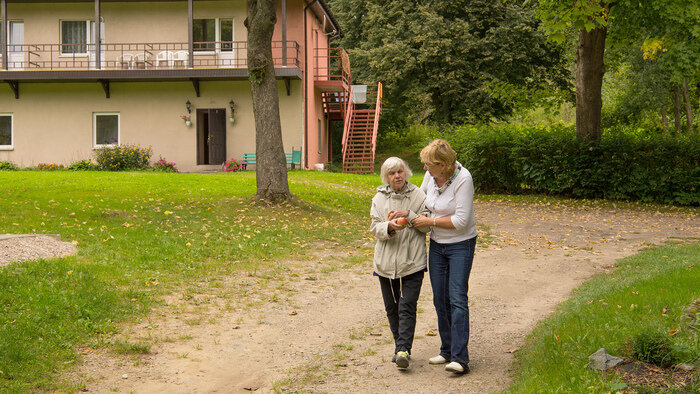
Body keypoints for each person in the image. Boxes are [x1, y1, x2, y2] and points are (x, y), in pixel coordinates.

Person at [411, 139, 477, 375]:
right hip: (437, 245)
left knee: (457, 298)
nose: (425, 169)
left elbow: (461, 222)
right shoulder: (431, 175)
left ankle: (461, 358)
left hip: (461, 244)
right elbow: (421, 199)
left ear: (444, 165)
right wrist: (406, 212)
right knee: (440, 299)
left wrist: (429, 221)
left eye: (429, 165)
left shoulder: (463, 179)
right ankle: (447, 350)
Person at [369, 157, 430, 370]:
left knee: (407, 305)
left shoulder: (418, 195)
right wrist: (390, 226)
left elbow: (426, 225)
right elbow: (375, 228)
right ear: (386, 177)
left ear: (406, 173)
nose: (397, 176)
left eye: (400, 171)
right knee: (391, 307)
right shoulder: (379, 198)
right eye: (392, 173)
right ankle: (400, 348)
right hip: (385, 263)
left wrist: (408, 215)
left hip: (412, 260)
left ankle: (403, 348)